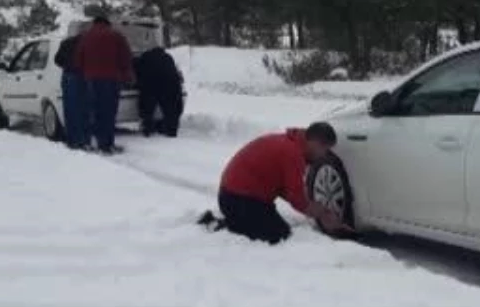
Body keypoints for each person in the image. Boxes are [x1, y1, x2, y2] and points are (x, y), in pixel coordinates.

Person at [204, 122, 348, 244]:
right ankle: (223, 225)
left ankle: (236, 221)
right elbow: (296, 199)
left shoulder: (290, 144)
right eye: (325, 149)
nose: (324, 155)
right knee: (278, 235)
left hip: (236, 196)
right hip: (238, 200)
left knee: (276, 228)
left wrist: (318, 210)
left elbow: (285, 190)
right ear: (315, 142)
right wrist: (323, 214)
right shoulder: (293, 154)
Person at [74, 16, 134, 155]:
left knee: (96, 111)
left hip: (92, 80)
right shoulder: (116, 35)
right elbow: (125, 57)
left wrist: (84, 74)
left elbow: (78, 59)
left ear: (94, 23)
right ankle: (108, 143)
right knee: (110, 112)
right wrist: (127, 75)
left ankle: (101, 144)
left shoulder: (86, 37)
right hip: (113, 79)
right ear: (108, 24)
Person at [133, 46, 184, 138]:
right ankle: (172, 130)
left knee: (148, 106)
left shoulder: (145, 57)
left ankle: (148, 128)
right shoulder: (168, 57)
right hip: (171, 82)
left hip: (152, 83)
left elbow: (139, 72)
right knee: (171, 107)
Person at [53, 32, 89, 149]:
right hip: (83, 77)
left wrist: (67, 65)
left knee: (70, 109)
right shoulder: (88, 44)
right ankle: (84, 139)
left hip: (68, 76)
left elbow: (57, 60)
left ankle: (72, 140)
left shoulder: (66, 42)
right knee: (84, 109)